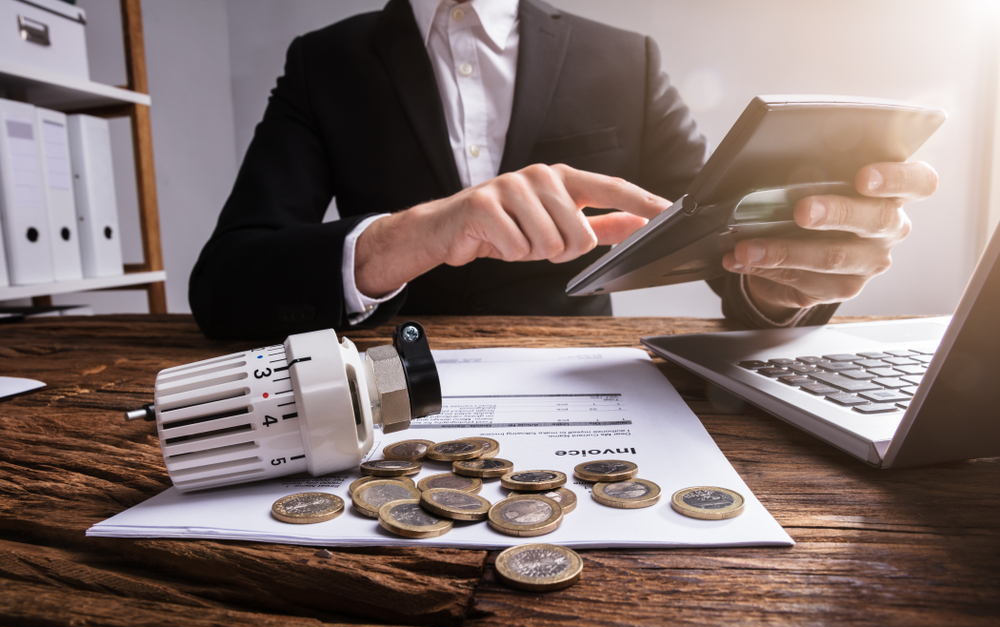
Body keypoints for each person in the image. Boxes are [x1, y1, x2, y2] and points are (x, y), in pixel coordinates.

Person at [190, 0, 937, 340]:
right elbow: (226, 284)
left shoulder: (627, 58)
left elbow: (716, 233)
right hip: (385, 387)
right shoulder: (325, 62)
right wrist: (411, 235)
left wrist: (777, 280)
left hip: (592, 384)